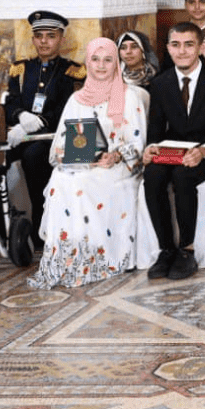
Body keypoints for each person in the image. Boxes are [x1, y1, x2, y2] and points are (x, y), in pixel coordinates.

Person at [27, 38, 147, 289]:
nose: (101, 66)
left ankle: (96, 257)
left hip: (117, 166)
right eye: (95, 59)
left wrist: (115, 155)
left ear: (117, 63)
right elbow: (61, 140)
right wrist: (66, 154)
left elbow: (138, 143)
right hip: (83, 163)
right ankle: (70, 257)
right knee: (61, 179)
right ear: (87, 63)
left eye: (108, 60)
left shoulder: (130, 97)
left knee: (84, 184)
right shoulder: (77, 100)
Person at [140, 22, 205, 280]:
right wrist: (150, 149)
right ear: (168, 48)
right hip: (176, 152)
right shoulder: (160, 84)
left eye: (188, 45)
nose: (182, 51)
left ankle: (187, 249)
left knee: (184, 176)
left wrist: (204, 151)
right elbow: (156, 128)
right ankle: (166, 249)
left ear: (200, 48)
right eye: (175, 45)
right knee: (153, 175)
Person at [5, 10, 85, 245]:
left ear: (61, 38)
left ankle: (42, 222)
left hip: (53, 137)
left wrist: (40, 121)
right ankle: (5, 225)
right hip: (22, 134)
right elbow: (10, 102)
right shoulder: (21, 70)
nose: (44, 41)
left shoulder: (71, 71)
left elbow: (67, 106)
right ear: (33, 39)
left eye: (50, 36)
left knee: (34, 156)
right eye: (39, 36)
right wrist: (20, 116)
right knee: (0, 157)